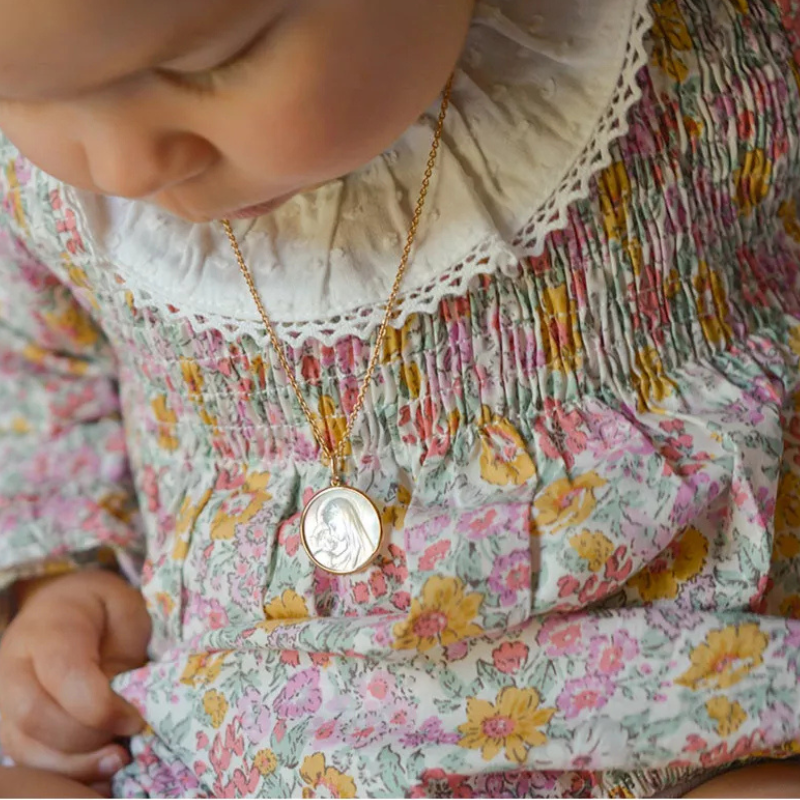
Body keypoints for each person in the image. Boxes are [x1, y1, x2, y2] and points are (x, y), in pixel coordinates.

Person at [0, 0, 798, 797]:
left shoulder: (715, 52)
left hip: (677, 715)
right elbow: (44, 370)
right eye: (30, 95)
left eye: (207, 65)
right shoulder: (58, 199)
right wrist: (65, 584)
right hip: (228, 741)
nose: (123, 168)